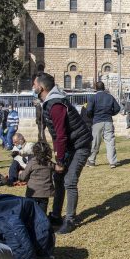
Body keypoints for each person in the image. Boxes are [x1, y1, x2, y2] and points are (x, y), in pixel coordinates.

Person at [33, 73, 92, 234]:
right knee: (58, 178)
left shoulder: (56, 105)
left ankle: (70, 220)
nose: (33, 87)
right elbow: (56, 134)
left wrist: (59, 161)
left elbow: (61, 135)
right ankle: (56, 216)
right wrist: (58, 154)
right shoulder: (49, 103)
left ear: (41, 88)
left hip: (80, 145)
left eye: (34, 85)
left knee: (70, 181)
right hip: (69, 146)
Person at [87, 81, 120, 168]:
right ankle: (112, 162)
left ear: (95, 88)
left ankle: (91, 161)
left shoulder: (93, 97)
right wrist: (110, 113)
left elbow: (89, 110)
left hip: (97, 121)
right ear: (104, 88)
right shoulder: (110, 97)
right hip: (108, 121)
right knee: (110, 142)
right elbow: (117, 108)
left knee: (95, 142)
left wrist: (92, 116)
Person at [19, 141, 54, 213]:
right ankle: (41, 220)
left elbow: (23, 177)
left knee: (30, 212)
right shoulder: (50, 163)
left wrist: (20, 174)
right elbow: (57, 169)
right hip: (45, 192)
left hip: (32, 192)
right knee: (42, 213)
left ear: (34, 151)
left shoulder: (32, 162)